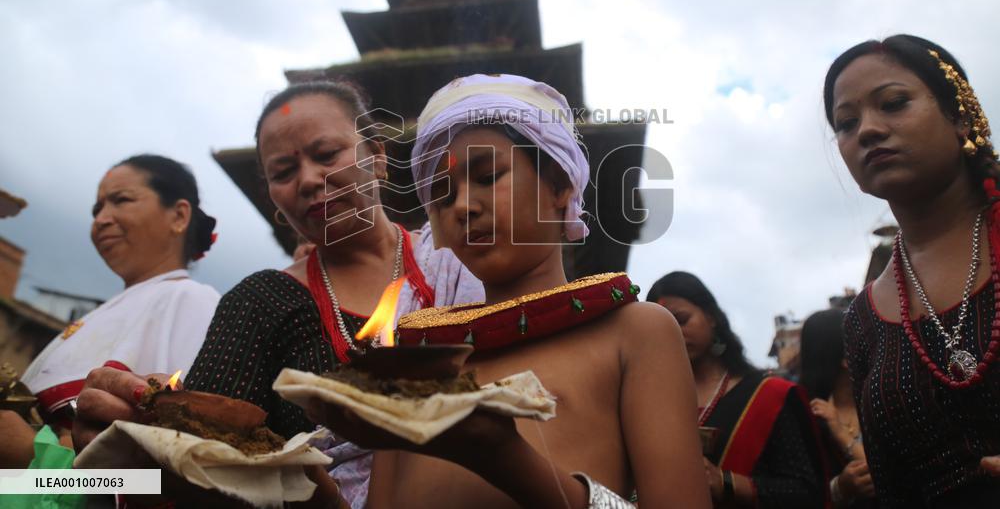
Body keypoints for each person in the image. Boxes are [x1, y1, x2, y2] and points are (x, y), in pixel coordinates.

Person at [74, 81, 483, 508]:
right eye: (283, 173)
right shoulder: (260, 303)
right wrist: (137, 451)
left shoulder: (465, 260)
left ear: (377, 157)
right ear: (273, 198)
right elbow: (204, 471)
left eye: (326, 154)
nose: (308, 179)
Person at [309, 74, 711, 508]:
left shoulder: (635, 331)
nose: (462, 205)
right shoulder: (416, 362)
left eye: (488, 176)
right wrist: (309, 490)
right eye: (442, 197)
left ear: (559, 185)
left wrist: (504, 457)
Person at [825, 34, 1000, 506]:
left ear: (959, 117)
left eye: (894, 103)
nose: (867, 130)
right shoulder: (863, 319)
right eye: (846, 122)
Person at [24, 154, 220, 427]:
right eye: (96, 209)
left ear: (178, 215)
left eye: (121, 200)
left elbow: (182, 451)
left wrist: (31, 453)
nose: (101, 219)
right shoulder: (109, 310)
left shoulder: (191, 300)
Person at [648, 271, 827, 507]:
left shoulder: (769, 395)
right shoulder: (649, 404)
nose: (674, 333)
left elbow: (806, 493)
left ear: (711, 317)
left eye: (681, 320)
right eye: (661, 327)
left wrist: (725, 482)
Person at [800, 308, 876, 507]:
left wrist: (842, 435)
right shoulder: (806, 416)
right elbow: (798, 493)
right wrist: (840, 488)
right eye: (861, 337)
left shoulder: (878, 397)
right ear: (843, 357)